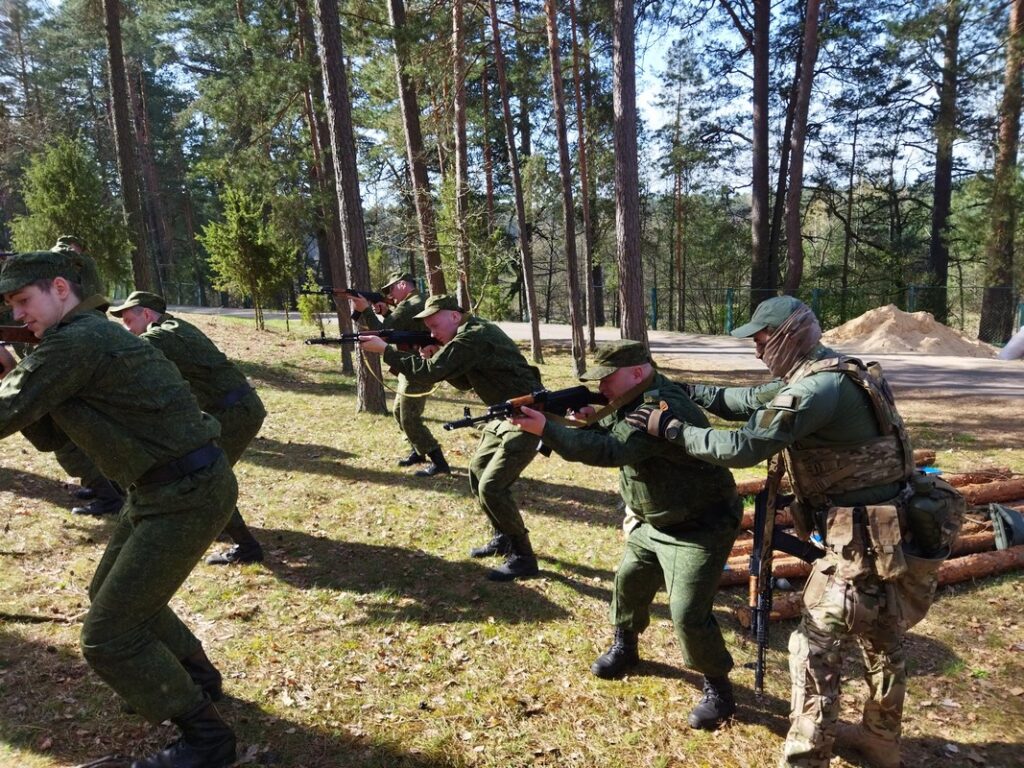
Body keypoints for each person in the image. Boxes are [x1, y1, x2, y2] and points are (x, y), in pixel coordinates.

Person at [626, 296, 963, 768]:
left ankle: (806, 758)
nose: (757, 350)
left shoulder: (818, 391)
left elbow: (745, 445)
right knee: (883, 641)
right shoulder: (834, 372)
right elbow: (746, 401)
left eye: (762, 339)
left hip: (863, 543)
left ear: (788, 335)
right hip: (892, 532)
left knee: (812, 648)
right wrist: (685, 390)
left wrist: (673, 429)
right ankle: (880, 740)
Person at [0, 251, 238, 768]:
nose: (18, 315)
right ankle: (197, 679)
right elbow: (42, 432)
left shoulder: (77, 340)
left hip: (184, 492)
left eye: (23, 301)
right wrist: (9, 367)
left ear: (60, 288)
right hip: (162, 489)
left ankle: (206, 740)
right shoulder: (73, 340)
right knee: (111, 596)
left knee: (108, 636)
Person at [509, 340, 743, 730]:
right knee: (629, 584)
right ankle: (626, 647)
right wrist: (590, 416)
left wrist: (547, 428)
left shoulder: (663, 406)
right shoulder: (633, 396)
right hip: (653, 519)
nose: (601, 388)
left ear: (637, 371)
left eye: (607, 379)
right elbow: (612, 426)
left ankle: (718, 687)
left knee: (687, 613)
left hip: (700, 525)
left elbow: (611, 451)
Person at [358, 293, 544, 581]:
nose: (431, 333)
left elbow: (429, 374)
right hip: (504, 414)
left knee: (492, 485)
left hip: (528, 415)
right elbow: (463, 380)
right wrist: (435, 353)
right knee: (477, 471)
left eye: (434, 326)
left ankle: (524, 557)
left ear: (454, 316)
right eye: (429, 328)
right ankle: (503, 536)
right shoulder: (467, 335)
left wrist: (386, 351)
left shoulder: (473, 336)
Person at [109, 290, 266, 566]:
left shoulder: (161, 335)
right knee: (206, 476)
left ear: (146, 315)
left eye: (128, 321)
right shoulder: (173, 327)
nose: (127, 329)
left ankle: (247, 546)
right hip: (234, 409)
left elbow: (124, 352)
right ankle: (239, 541)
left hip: (235, 412)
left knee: (206, 477)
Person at [345, 270, 449, 476]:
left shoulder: (411, 304)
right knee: (399, 412)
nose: (390, 295)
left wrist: (366, 310)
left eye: (391, 289)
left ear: (402, 284)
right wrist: (383, 313)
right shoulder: (412, 302)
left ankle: (439, 462)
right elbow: (397, 326)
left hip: (418, 366)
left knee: (409, 417)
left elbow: (385, 333)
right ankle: (418, 451)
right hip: (410, 364)